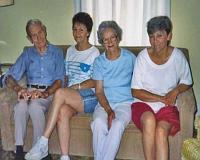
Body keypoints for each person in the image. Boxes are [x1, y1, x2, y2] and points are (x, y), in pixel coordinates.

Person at [25, 12, 100, 160]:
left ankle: (43, 142)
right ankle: (65, 156)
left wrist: (75, 87)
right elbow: (64, 76)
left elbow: (96, 81)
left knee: (60, 93)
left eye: (81, 30)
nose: (77, 33)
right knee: (62, 113)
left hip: (89, 97)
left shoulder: (94, 52)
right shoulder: (70, 51)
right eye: (74, 29)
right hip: (72, 96)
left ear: (88, 32)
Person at [131, 16, 193, 160]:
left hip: (167, 108)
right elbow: (135, 91)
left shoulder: (178, 57)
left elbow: (187, 81)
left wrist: (176, 90)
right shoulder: (142, 57)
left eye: (159, 36)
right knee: (149, 120)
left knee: (160, 131)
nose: (155, 41)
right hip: (143, 104)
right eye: (151, 36)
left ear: (169, 36)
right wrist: (162, 98)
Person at [3, 19, 65, 160]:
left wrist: (44, 93)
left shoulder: (57, 52)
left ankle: (41, 150)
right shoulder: (27, 53)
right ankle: (19, 150)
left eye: (40, 32)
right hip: (30, 91)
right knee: (20, 107)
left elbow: (59, 80)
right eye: (34, 35)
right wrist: (19, 89)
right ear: (29, 38)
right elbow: (8, 76)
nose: (39, 37)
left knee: (35, 106)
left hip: (49, 93)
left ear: (45, 29)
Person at [91, 21, 136, 160]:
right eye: (105, 39)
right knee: (98, 123)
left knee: (117, 125)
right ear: (102, 41)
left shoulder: (130, 58)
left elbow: (140, 82)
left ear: (118, 37)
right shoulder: (99, 61)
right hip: (104, 103)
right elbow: (98, 91)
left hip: (125, 103)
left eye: (113, 37)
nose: (110, 42)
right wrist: (109, 110)